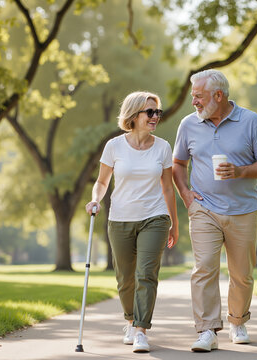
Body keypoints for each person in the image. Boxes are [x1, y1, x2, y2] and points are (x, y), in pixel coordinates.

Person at [172, 69, 257, 352]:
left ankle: (237, 321)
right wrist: (186, 195)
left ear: (218, 96)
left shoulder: (251, 121)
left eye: (198, 96)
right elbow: (178, 163)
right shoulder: (188, 124)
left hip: (244, 210)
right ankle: (206, 330)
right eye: (193, 96)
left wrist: (241, 171)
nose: (193, 101)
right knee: (204, 268)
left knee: (242, 273)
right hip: (203, 208)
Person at [86, 91, 178, 353]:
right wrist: (95, 199)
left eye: (157, 112)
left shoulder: (163, 147)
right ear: (133, 115)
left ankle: (140, 330)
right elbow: (102, 181)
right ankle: (129, 320)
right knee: (125, 278)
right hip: (120, 218)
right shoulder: (114, 146)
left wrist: (174, 223)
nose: (155, 117)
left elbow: (168, 188)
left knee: (145, 274)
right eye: (150, 112)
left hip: (155, 217)